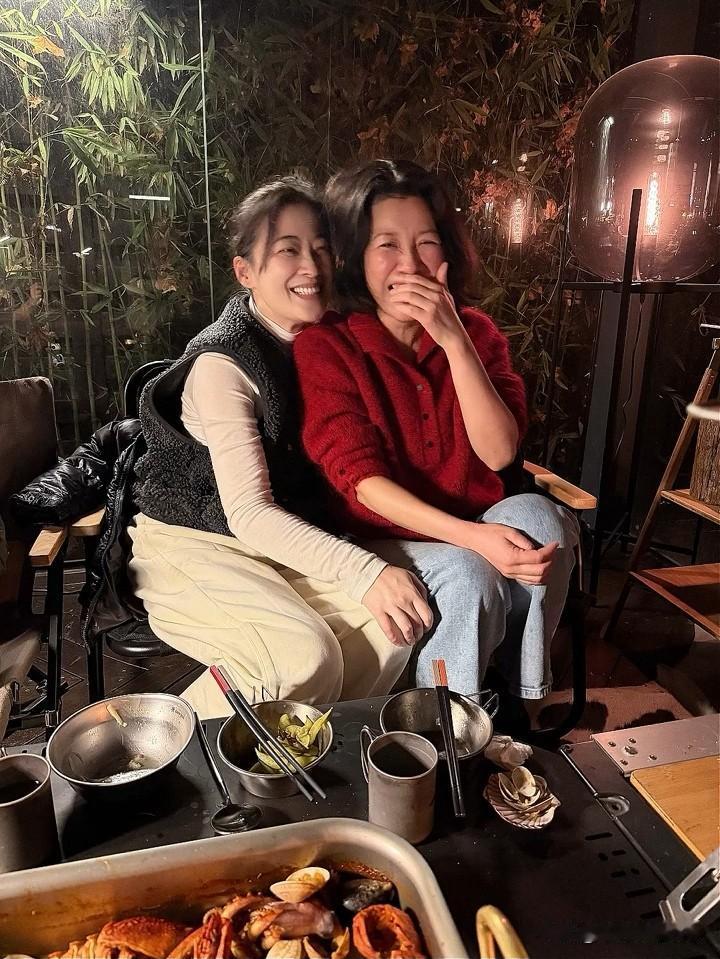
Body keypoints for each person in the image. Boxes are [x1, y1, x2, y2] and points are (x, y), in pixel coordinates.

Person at [128, 175, 432, 718]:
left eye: (320, 248)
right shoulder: (223, 365)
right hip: (192, 543)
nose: (311, 267)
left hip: (273, 544)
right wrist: (365, 570)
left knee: (391, 628)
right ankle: (158, 744)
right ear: (245, 271)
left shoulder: (332, 340)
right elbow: (249, 513)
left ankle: (308, 753)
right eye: (287, 250)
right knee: (302, 658)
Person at [294, 160, 578, 715]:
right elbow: (363, 484)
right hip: (380, 535)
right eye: (386, 244)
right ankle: (448, 724)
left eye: (425, 242)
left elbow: (499, 452)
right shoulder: (326, 346)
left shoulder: (477, 334)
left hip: (473, 514)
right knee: (469, 572)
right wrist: (473, 539)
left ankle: (516, 699)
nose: (410, 263)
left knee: (545, 522)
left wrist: (453, 340)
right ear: (355, 256)